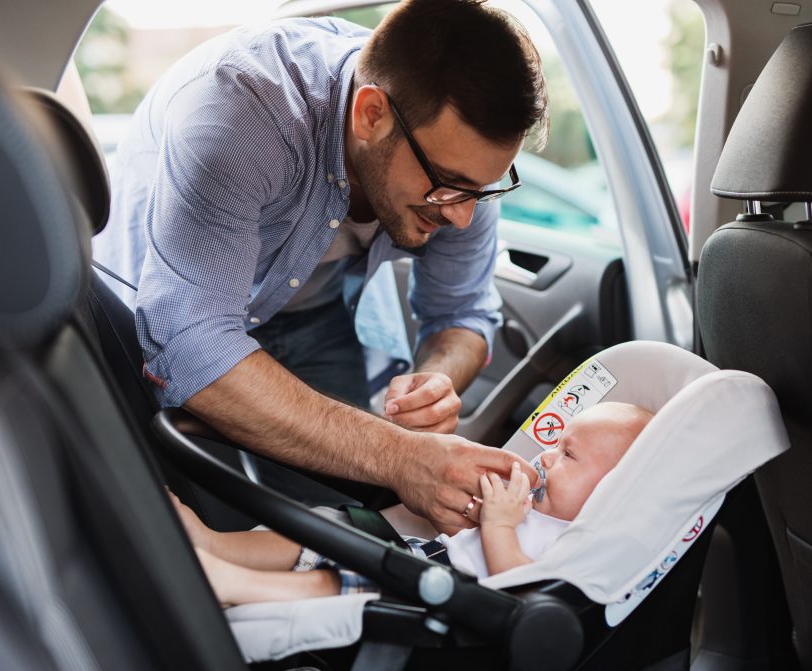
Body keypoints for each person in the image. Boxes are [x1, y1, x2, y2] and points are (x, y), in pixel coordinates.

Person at [94, 0, 550, 531]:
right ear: (370, 114)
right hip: (150, 321)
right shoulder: (242, 109)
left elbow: (463, 313)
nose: (464, 217)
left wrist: (434, 380)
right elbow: (191, 345)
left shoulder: (459, 179)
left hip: (310, 316)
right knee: (182, 527)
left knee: (350, 522)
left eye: (483, 190)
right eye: (449, 185)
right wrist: (401, 455)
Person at [171, 402, 654, 605]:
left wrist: (500, 524)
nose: (548, 454)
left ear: (611, 491)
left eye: (567, 454)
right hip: (417, 553)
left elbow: (519, 585)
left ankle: (237, 585)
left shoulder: (576, 543)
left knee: (335, 580)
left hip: (442, 595)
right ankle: (215, 544)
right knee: (328, 527)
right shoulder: (536, 506)